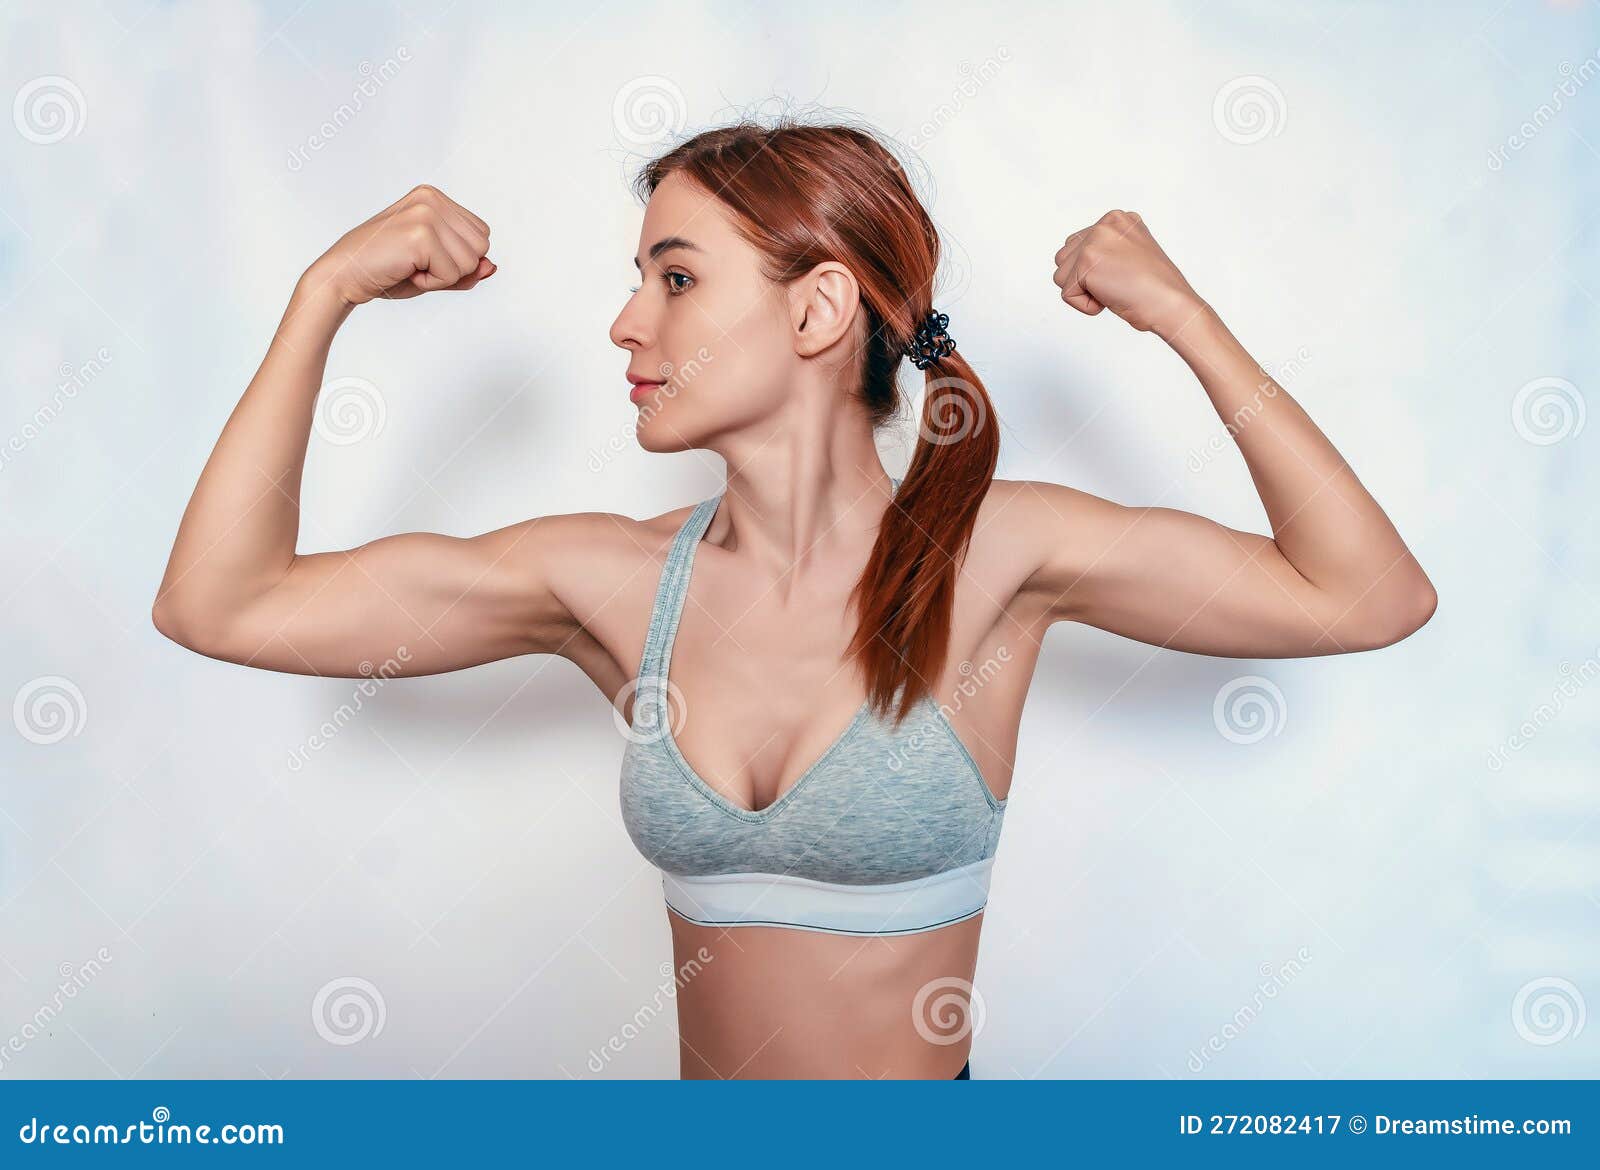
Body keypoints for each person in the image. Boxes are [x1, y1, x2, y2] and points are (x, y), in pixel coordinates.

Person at [152, 120, 1436, 1080]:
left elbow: (1369, 595)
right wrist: (321, 297)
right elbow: (226, 605)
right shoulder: (609, 582)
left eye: (674, 278)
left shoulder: (994, 554)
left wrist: (1181, 315)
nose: (622, 323)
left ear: (818, 308)